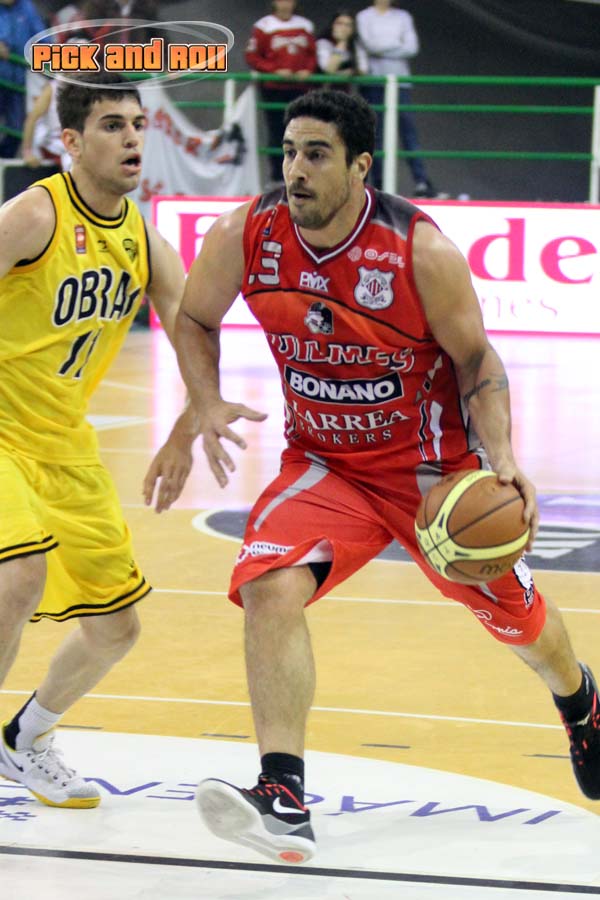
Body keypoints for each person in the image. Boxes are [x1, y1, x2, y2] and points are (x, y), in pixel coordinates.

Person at [151, 89, 600, 864]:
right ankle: (283, 792)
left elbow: (476, 360)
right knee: (267, 586)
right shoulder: (246, 232)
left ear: (361, 165)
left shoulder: (420, 252)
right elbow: (193, 316)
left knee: (521, 626)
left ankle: (580, 698)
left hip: (431, 476)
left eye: (316, 154)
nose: (296, 169)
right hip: (323, 463)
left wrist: (502, 457)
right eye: (289, 152)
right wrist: (205, 401)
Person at [0, 72, 195, 808]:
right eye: (113, 125)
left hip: (66, 447)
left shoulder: (145, 240)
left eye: (138, 124)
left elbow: (195, 337)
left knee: (116, 628)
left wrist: (187, 427)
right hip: (1, 432)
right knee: (18, 577)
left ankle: (25, 739)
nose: (133, 138)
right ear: (72, 142)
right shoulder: (33, 214)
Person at [356, 0, 437, 197]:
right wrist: (396, 45)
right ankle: (379, 183)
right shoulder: (364, 16)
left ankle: (421, 182)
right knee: (375, 135)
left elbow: (412, 48)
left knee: (409, 132)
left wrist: (380, 49)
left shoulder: (403, 17)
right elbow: (369, 45)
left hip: (400, 82)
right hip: (374, 81)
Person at [245, 0, 316, 186]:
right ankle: (278, 177)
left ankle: (302, 175)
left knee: (303, 132)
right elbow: (252, 56)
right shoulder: (263, 26)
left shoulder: (305, 25)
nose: (285, 4)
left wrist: (308, 70)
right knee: (277, 132)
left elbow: (312, 54)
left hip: (300, 89)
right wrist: (274, 70)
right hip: (273, 88)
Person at [0, 0, 46, 158]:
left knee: (17, 129)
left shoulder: (26, 7)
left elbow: (42, 38)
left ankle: (3, 159)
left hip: (18, 81)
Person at [316, 9, 368, 87]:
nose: (343, 28)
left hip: (347, 90)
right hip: (323, 88)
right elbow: (329, 70)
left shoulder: (356, 45)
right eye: (339, 24)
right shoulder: (323, 43)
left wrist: (353, 72)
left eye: (348, 25)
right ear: (332, 25)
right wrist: (342, 42)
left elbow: (363, 70)